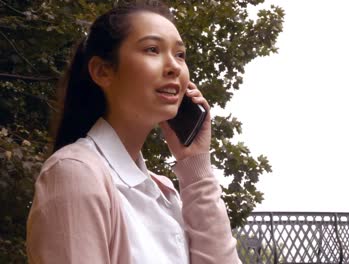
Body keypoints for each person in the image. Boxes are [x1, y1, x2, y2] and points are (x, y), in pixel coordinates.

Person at [26, 2, 241, 264]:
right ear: (102, 71)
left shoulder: (164, 192)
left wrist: (196, 166)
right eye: (152, 49)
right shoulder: (76, 172)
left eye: (181, 55)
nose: (174, 66)